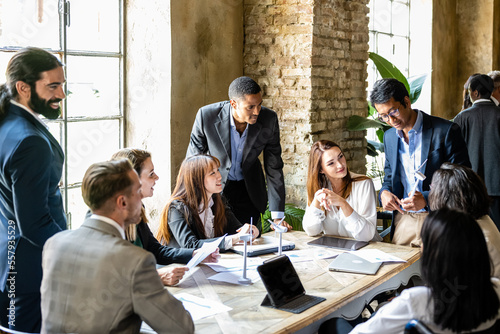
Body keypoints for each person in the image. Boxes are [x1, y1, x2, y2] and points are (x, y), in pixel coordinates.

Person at [40, 159, 194, 334]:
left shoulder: (54, 244)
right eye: (137, 192)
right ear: (122, 202)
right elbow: (181, 328)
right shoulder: (135, 261)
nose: (141, 197)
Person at [320, 208, 500, 334]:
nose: (420, 247)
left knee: (333, 324)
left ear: (435, 255)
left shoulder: (416, 301)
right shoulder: (495, 290)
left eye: (424, 242)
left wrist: (394, 308)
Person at [0, 47, 67, 331]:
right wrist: (78, 250)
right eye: (53, 86)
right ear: (23, 87)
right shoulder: (31, 142)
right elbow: (35, 223)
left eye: (62, 85)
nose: (61, 94)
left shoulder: (6, 124)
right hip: (28, 272)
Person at [370, 78, 470, 247]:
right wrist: (384, 193)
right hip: (404, 221)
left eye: (393, 111)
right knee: (401, 272)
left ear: (407, 102)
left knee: (437, 272)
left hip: (439, 219)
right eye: (383, 116)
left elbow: (462, 182)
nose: (390, 120)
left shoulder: (445, 131)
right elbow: (389, 177)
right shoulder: (389, 137)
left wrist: (426, 199)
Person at [187, 76, 291, 233]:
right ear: (233, 104)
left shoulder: (269, 119)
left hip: (249, 192)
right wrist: (197, 201)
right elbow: (192, 164)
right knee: (222, 245)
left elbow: (274, 166)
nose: (256, 111)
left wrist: (277, 216)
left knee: (251, 242)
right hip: (216, 191)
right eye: (250, 107)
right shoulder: (206, 117)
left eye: (259, 105)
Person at [110, 148, 219, 286]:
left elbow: (155, 249)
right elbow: (114, 273)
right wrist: (156, 277)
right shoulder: (111, 216)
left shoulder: (138, 208)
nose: (157, 177)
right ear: (132, 179)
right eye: (151, 174)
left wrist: (195, 255)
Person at [156, 154, 259, 250]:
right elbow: (190, 245)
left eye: (218, 170)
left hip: (207, 265)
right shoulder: (176, 208)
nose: (219, 176)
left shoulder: (217, 201)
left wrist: (249, 230)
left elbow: (236, 229)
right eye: (212, 173)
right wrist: (236, 238)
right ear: (196, 180)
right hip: (177, 267)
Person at [428, 162, 500, 278]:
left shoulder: (475, 240)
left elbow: (453, 290)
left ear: (446, 197)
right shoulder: (480, 221)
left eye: (432, 188)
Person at [302, 140, 381, 242]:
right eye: (331, 163)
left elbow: (366, 236)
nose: (340, 165)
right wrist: (316, 202)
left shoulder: (364, 183)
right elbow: (311, 231)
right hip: (334, 251)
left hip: (368, 250)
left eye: (340, 156)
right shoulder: (319, 188)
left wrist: (343, 204)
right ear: (321, 170)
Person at [454, 74, 500, 230]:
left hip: (470, 186)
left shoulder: (461, 117)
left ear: (474, 93)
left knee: (473, 232)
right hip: (498, 186)